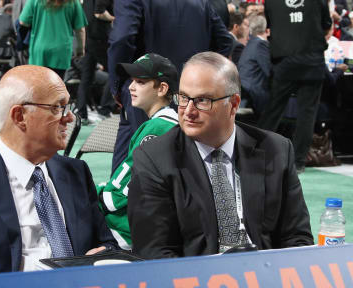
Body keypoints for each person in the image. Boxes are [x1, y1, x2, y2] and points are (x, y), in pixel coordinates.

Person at [0, 65, 118, 278]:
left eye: (68, 106)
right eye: (57, 107)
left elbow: (107, 244)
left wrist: (99, 257)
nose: (69, 117)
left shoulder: (76, 172)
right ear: (19, 116)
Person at [128, 52, 313, 259]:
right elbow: (154, 252)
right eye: (183, 98)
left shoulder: (276, 150)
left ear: (233, 104)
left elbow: (297, 238)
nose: (188, 111)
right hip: (194, 282)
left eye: (202, 101)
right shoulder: (154, 159)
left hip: (265, 278)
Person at [108, 0, 233, 174]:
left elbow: (122, 38)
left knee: (146, 166)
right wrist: (202, 78)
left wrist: (118, 83)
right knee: (183, 163)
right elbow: (225, 41)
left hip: (148, 90)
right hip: (189, 92)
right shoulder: (201, 2)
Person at [97, 53, 178, 249]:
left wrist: (95, 196)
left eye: (140, 82)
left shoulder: (157, 128)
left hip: (130, 232)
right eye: (132, 81)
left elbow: (119, 194)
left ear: (162, 88)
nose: (131, 87)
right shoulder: (166, 122)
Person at [257, 0, 332, 173]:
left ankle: (255, 152)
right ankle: (298, 162)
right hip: (311, 59)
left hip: (284, 59)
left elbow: (271, 25)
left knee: (273, 110)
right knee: (307, 113)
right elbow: (326, 24)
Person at [19, 0, 87, 80]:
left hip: (39, 51)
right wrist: (80, 49)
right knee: (56, 87)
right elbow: (80, 30)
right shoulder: (73, 2)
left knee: (38, 86)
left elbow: (23, 22)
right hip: (61, 51)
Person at [76, 0, 114, 125]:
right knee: (115, 72)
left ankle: (81, 113)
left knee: (86, 78)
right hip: (100, 38)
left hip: (88, 37)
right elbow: (99, 12)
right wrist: (115, 18)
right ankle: (105, 109)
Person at [238, 14, 270, 117]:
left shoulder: (251, 43)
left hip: (246, 93)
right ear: (266, 29)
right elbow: (269, 71)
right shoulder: (261, 44)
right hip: (253, 96)